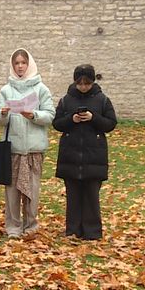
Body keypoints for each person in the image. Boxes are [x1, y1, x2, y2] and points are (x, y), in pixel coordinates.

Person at [53, 64, 117, 241]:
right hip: (71, 154)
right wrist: (71, 119)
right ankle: (73, 229)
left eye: (86, 83)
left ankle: (92, 231)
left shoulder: (102, 100)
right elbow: (57, 123)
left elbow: (111, 123)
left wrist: (93, 118)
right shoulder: (66, 100)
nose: (83, 87)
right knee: (73, 195)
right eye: (80, 84)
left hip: (93, 154)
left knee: (91, 195)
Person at [0, 49, 55, 238]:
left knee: (32, 189)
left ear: (29, 64)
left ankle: (31, 224)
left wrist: (34, 115)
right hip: (13, 148)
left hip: (33, 149)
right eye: (16, 63)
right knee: (12, 191)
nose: (20, 66)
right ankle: (13, 226)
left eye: (23, 63)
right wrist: (3, 114)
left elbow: (50, 115)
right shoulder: (6, 90)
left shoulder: (41, 88)